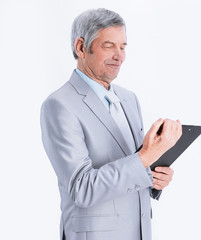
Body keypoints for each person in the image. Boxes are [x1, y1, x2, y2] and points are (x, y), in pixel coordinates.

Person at [40, 8, 182, 240]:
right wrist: (145, 157)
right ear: (81, 47)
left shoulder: (129, 99)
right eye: (109, 46)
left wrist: (154, 179)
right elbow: (82, 188)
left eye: (123, 46)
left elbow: (132, 167)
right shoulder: (59, 105)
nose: (120, 56)